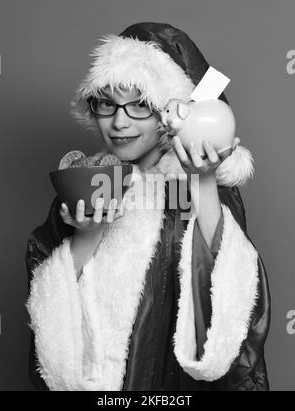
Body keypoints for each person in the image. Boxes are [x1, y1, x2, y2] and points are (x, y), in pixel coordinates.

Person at [25, 22, 270, 391]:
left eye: (140, 105)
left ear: (171, 114)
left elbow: (232, 294)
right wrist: (86, 237)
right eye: (106, 102)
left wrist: (202, 181)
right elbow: (49, 311)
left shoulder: (199, 185)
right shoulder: (87, 182)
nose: (119, 121)